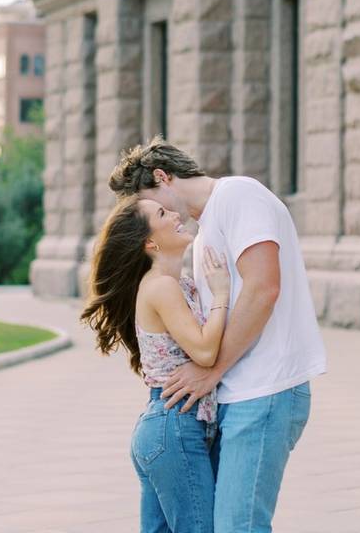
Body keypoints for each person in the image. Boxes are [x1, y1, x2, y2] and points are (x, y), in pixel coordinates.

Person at [109, 137, 327, 532]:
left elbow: (263, 288)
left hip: (265, 390)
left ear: (162, 177)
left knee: (236, 527)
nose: (154, 215)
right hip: (233, 395)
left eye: (149, 203)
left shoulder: (239, 195)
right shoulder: (202, 236)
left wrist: (212, 370)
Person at [80, 195, 231, 533]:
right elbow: (205, 353)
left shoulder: (178, 284)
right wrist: (221, 296)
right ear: (149, 242)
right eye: (163, 213)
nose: (176, 214)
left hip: (169, 427)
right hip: (175, 427)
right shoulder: (161, 287)